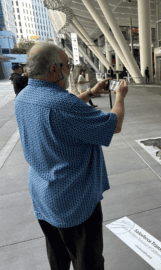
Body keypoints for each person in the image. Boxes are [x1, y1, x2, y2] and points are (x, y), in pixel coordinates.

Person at [14, 42, 128, 270]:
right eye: (66, 65)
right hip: (75, 203)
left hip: (43, 196)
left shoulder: (23, 97)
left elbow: (60, 110)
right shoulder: (62, 104)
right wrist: (120, 97)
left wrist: (91, 92)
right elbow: (113, 126)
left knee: (57, 257)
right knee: (88, 262)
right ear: (54, 70)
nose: (69, 69)